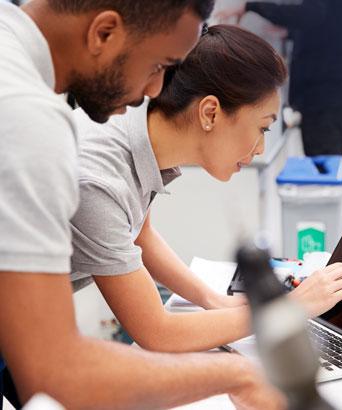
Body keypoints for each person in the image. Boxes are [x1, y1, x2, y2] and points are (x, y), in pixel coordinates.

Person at [0, 1, 288, 409]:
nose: (155, 91)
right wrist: (241, 372)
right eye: (158, 66)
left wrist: (213, 300)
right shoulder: (34, 123)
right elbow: (56, 371)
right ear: (104, 32)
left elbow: (139, 233)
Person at [69, 24, 342, 354]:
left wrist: (211, 299)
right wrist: (290, 308)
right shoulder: (101, 178)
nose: (261, 148)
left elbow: (139, 233)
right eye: (263, 128)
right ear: (210, 113)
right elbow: (158, 332)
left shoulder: (135, 123)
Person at [218, 0, 342, 156]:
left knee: (323, 163)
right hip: (333, 94)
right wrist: (290, 33)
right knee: (327, 162)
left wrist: (250, 6)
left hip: (326, 98)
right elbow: (328, 26)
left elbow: (311, 14)